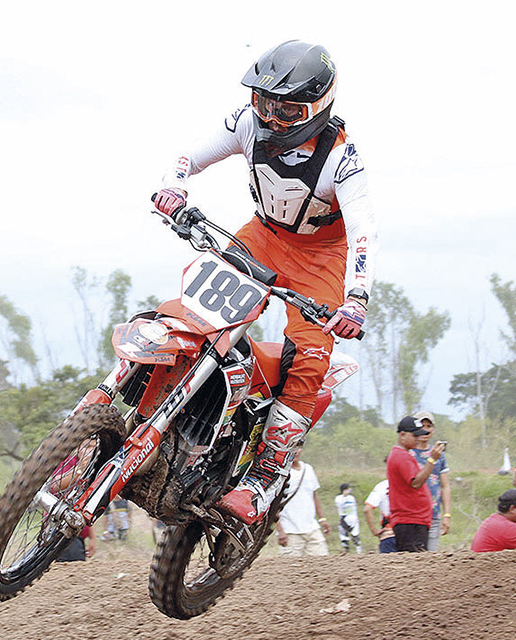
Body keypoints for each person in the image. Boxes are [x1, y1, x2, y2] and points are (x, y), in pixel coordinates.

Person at [150, 40, 378, 526]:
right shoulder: (248, 123)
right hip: (262, 236)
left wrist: (356, 299)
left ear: (317, 108)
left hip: (322, 257)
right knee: (196, 313)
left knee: (311, 356)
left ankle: (262, 479)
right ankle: (156, 416)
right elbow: (189, 156)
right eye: (267, 103)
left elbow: (363, 231)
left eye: (288, 108)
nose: (273, 117)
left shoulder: (343, 159)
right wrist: (174, 185)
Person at [386, 416, 446, 552]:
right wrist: (432, 460)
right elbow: (416, 482)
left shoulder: (404, 455)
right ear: (402, 435)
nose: (417, 439)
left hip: (414, 520)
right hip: (410, 521)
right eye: (414, 435)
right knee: (415, 564)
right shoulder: (401, 456)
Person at [409, 410, 451, 550]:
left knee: (431, 557)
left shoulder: (438, 453)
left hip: (433, 514)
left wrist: (447, 514)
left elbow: (445, 486)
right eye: (422, 426)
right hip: (412, 515)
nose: (425, 430)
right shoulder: (408, 453)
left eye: (429, 426)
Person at [275, 459, 331, 556]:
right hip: (290, 532)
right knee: (291, 568)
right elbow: (273, 506)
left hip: (312, 528)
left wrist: (322, 519)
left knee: (322, 562)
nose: (296, 451)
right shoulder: (280, 473)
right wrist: (280, 531)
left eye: (298, 447)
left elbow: (314, 496)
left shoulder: (308, 469)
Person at [362, 478, 396, 553]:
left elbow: (367, 509)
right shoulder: (415, 483)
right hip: (412, 532)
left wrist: (375, 531)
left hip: (389, 534)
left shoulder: (383, 485)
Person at [334, 483, 362, 554]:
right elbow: (340, 504)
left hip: (353, 518)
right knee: (344, 537)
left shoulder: (351, 498)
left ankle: (359, 552)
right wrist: (344, 495)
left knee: (356, 536)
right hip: (344, 519)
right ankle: (345, 552)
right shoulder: (338, 498)